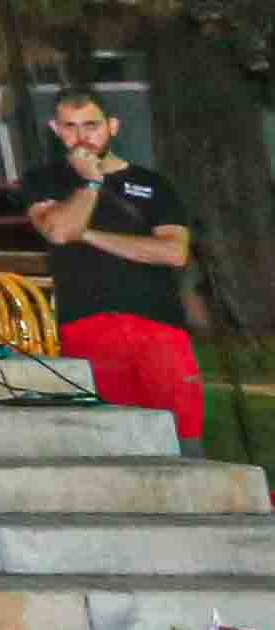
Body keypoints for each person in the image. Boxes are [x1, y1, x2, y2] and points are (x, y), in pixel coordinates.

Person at [26, 89, 204, 441]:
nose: (82, 137)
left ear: (113, 126)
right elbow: (60, 231)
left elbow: (173, 252)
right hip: (87, 325)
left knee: (180, 434)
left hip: (159, 325)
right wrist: (92, 182)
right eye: (71, 127)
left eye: (92, 125)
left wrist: (88, 235)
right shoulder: (44, 181)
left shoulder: (152, 184)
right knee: (111, 436)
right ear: (56, 130)